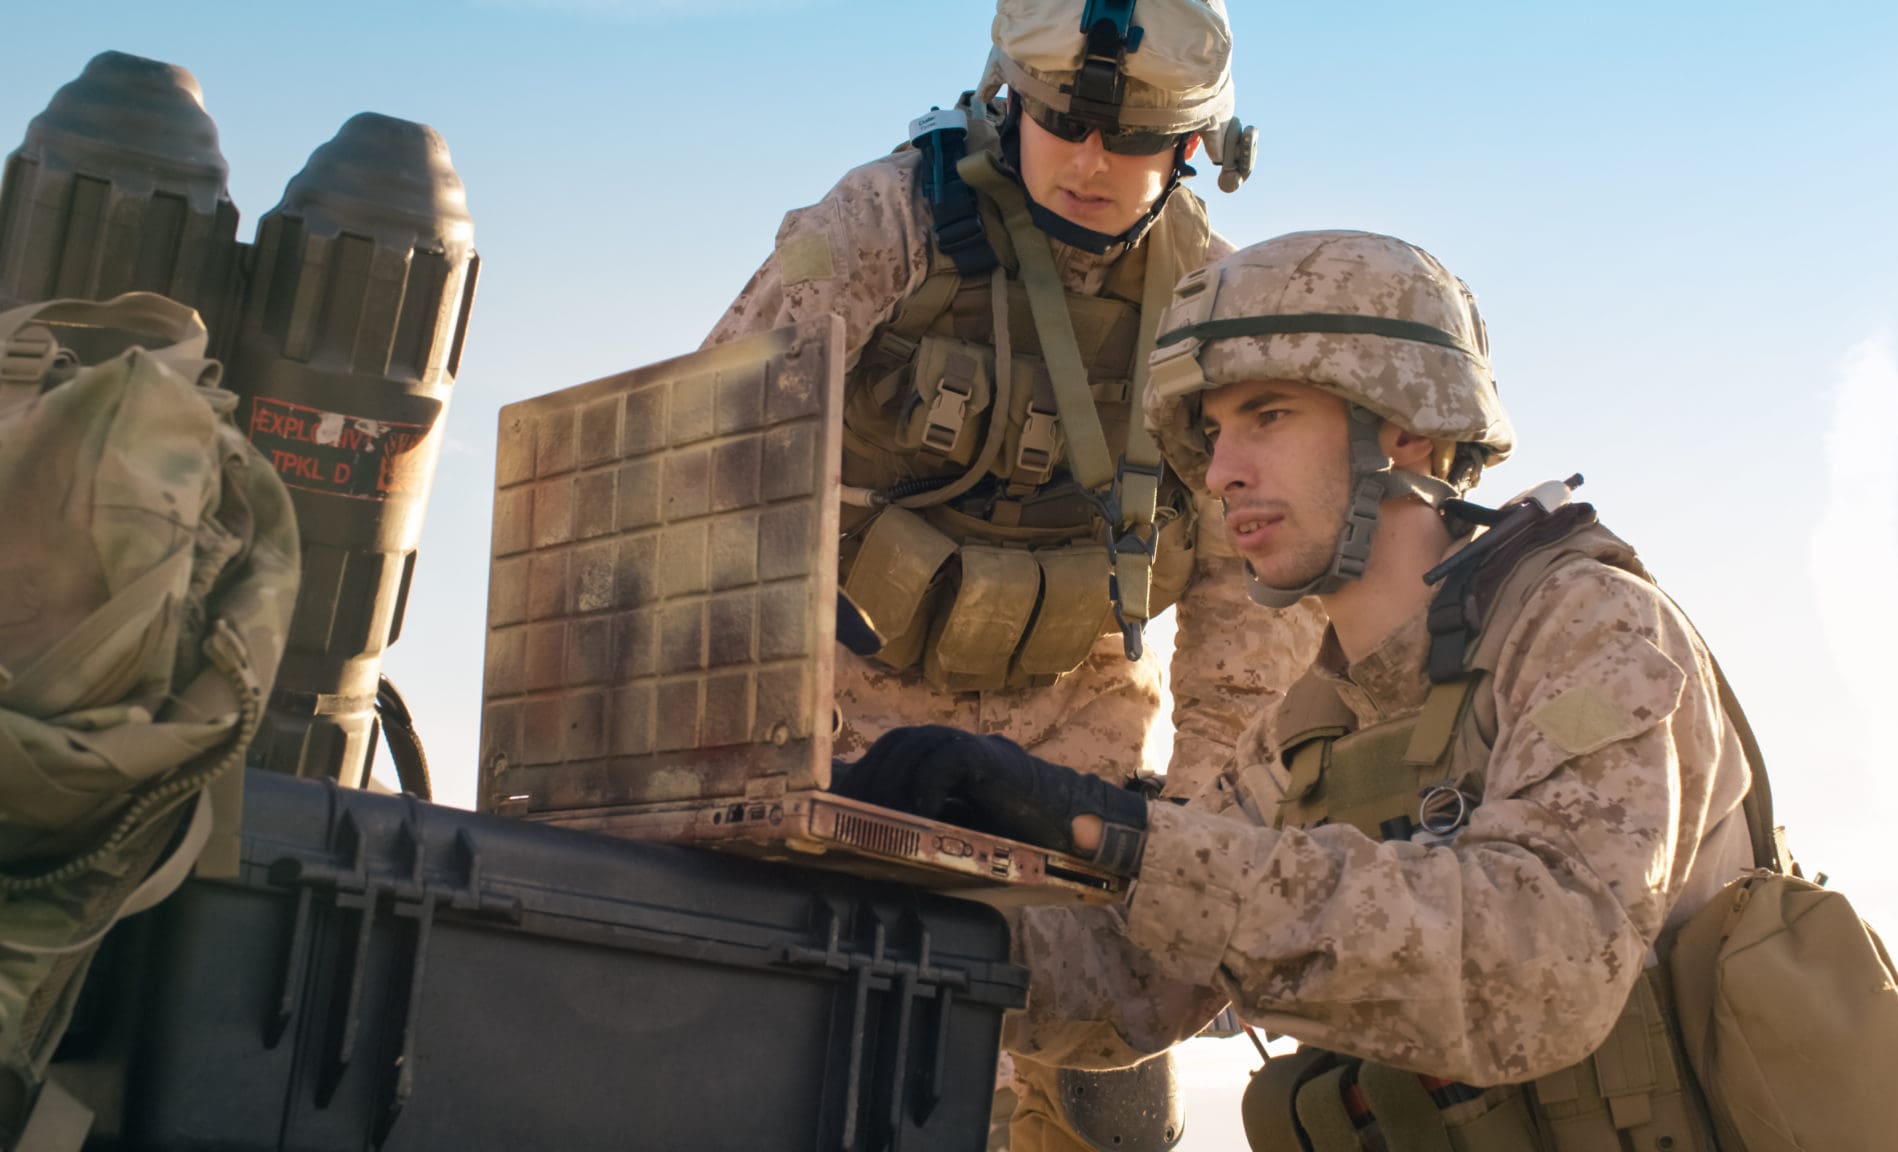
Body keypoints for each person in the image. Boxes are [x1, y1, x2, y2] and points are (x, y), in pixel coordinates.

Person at [836, 230, 1763, 1150]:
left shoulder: (1589, 627)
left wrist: (1108, 828)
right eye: (1211, 433)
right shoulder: (1312, 727)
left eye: (1267, 415)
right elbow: (1130, 978)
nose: (1222, 471)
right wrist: (870, 882)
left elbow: (1543, 963)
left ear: (1409, 428)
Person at [700, 3, 1320, 1148]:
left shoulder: (1219, 313)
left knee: (1100, 1094)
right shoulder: (885, 222)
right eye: (1060, 123)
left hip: (1075, 738)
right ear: (1005, 99)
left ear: (1195, 149)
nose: (1090, 162)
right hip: (850, 725)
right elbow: (717, 436)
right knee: (870, 1078)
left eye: (1133, 140)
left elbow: (1254, 589)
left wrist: (1195, 821)